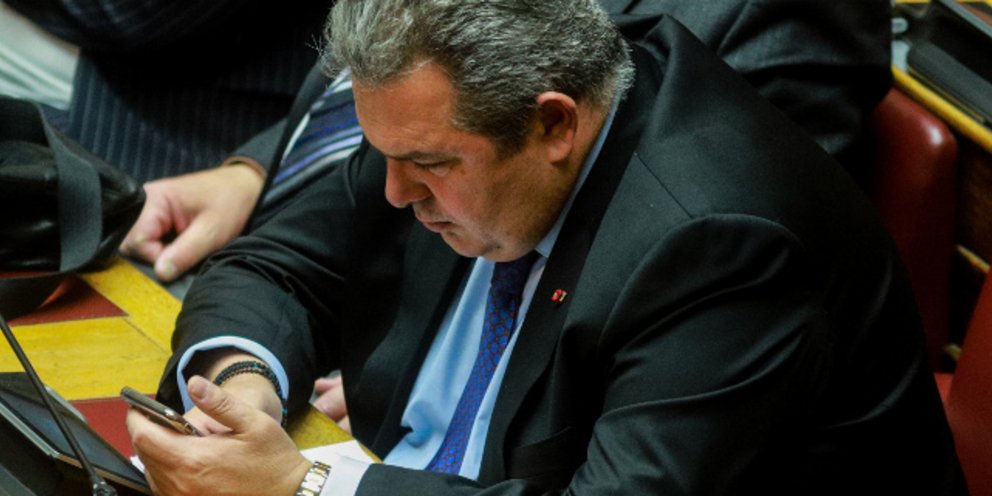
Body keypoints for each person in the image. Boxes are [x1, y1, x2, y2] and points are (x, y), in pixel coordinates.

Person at [127, 1, 964, 494]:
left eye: (428, 167)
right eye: (387, 158)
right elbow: (275, 264)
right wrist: (243, 391)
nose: (394, 194)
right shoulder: (440, 121)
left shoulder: (721, 248)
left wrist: (302, 486)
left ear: (555, 125)